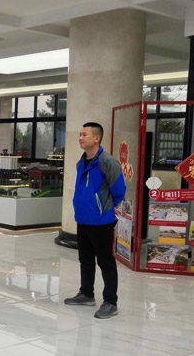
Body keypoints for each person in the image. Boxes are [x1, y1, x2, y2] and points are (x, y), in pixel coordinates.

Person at [64, 122, 126, 319]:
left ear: (96, 138)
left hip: (101, 221)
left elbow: (119, 191)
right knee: (85, 259)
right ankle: (86, 294)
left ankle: (110, 302)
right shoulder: (81, 162)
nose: (80, 138)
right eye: (80, 134)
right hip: (83, 219)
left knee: (106, 262)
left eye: (84, 134)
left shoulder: (108, 162)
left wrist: (103, 208)